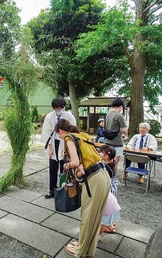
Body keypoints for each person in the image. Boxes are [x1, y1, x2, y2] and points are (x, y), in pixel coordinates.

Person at [55, 119, 110, 258]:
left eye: (58, 135)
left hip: (94, 180)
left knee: (87, 216)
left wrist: (66, 165)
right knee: (95, 216)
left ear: (60, 131)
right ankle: (86, 248)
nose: (60, 137)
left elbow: (74, 162)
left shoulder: (69, 138)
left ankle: (80, 251)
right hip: (104, 175)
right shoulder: (82, 135)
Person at [40, 97, 76, 198]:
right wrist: (50, 149)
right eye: (56, 108)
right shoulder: (49, 117)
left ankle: (63, 190)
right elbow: (47, 133)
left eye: (61, 107)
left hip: (66, 143)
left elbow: (73, 132)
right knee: (52, 167)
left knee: (64, 167)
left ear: (64, 107)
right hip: (54, 143)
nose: (59, 110)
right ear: (53, 108)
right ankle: (52, 190)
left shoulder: (69, 116)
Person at [99, 145, 120, 235]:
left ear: (106, 156)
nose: (99, 154)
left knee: (106, 210)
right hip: (112, 188)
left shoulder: (105, 166)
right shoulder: (112, 163)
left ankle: (107, 226)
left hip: (108, 189)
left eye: (101, 152)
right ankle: (110, 225)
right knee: (110, 209)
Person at [104, 98, 128, 176]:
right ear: (121, 106)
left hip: (107, 141)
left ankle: (106, 178)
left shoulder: (108, 114)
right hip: (116, 142)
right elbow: (124, 130)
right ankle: (113, 179)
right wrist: (125, 134)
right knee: (115, 163)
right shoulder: (119, 116)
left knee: (107, 161)